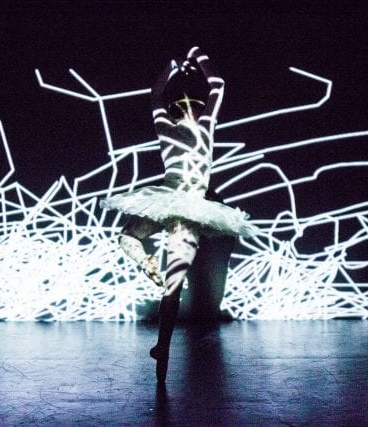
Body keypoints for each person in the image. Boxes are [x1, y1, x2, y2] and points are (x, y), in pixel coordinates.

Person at [101, 47, 256, 383]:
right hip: (186, 206)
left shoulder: (166, 129)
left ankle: (151, 281)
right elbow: (217, 84)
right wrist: (197, 56)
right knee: (170, 284)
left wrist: (173, 66)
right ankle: (162, 343)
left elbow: (155, 93)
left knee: (129, 239)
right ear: (197, 109)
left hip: (170, 203)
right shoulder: (205, 127)